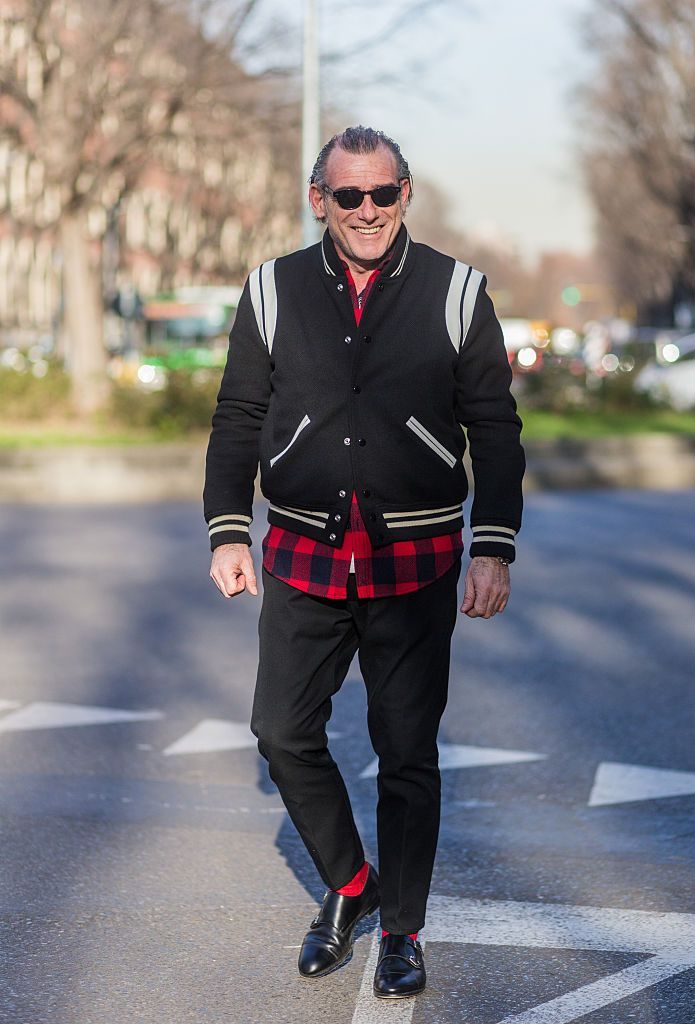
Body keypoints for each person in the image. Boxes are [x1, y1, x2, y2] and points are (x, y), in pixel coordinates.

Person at [204, 126, 524, 1000]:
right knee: (282, 732)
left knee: (406, 752)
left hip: (414, 560)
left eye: (383, 193)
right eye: (349, 196)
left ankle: (402, 931)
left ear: (405, 194)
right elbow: (237, 415)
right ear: (320, 200)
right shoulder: (271, 291)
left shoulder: (458, 293)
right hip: (302, 552)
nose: (368, 210)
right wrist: (228, 529)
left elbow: (494, 430)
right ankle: (352, 887)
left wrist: (491, 545)